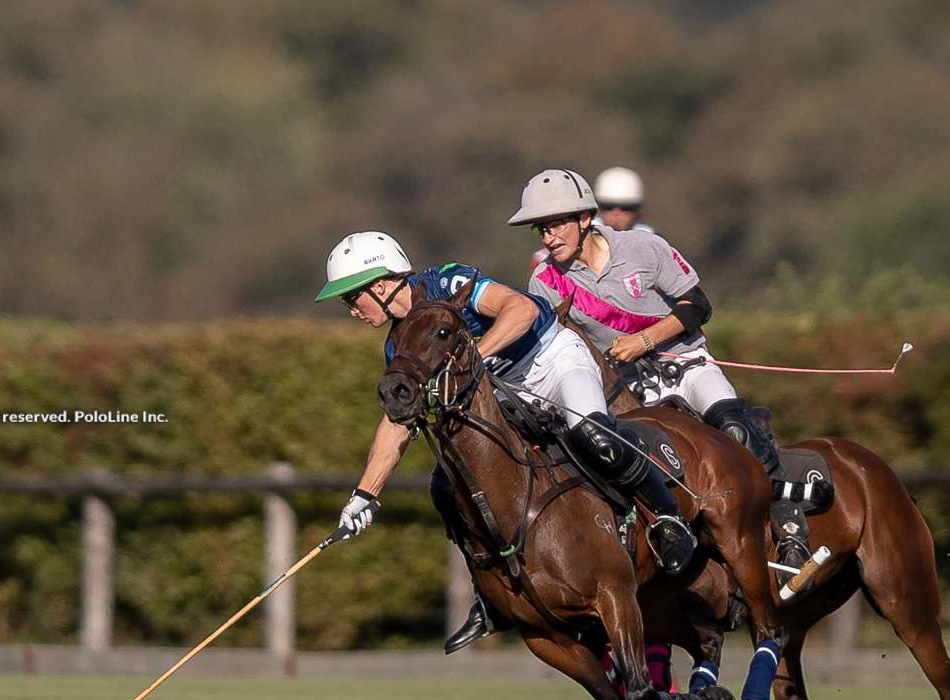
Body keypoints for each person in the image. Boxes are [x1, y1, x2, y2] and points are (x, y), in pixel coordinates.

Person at [315, 230, 698, 655]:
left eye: (352, 298)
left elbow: (519, 309)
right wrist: (365, 495)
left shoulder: (448, 283)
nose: (351, 311)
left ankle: (667, 519)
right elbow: (397, 422)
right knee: (447, 485)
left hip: (553, 358)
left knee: (595, 435)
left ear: (382, 284)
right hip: (504, 386)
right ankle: (489, 597)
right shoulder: (399, 345)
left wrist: (475, 355)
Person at [511, 169, 813, 573]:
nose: (548, 238)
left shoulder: (643, 247)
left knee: (735, 429)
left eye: (555, 225)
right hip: (629, 389)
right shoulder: (544, 281)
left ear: (584, 219)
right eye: (541, 230)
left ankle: (788, 521)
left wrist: (645, 341)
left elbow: (697, 306)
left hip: (685, 365)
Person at [529, 166, 657, 271]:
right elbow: (540, 260)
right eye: (608, 206)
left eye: (627, 207)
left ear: (638, 209)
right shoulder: (578, 233)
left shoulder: (654, 244)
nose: (616, 214)